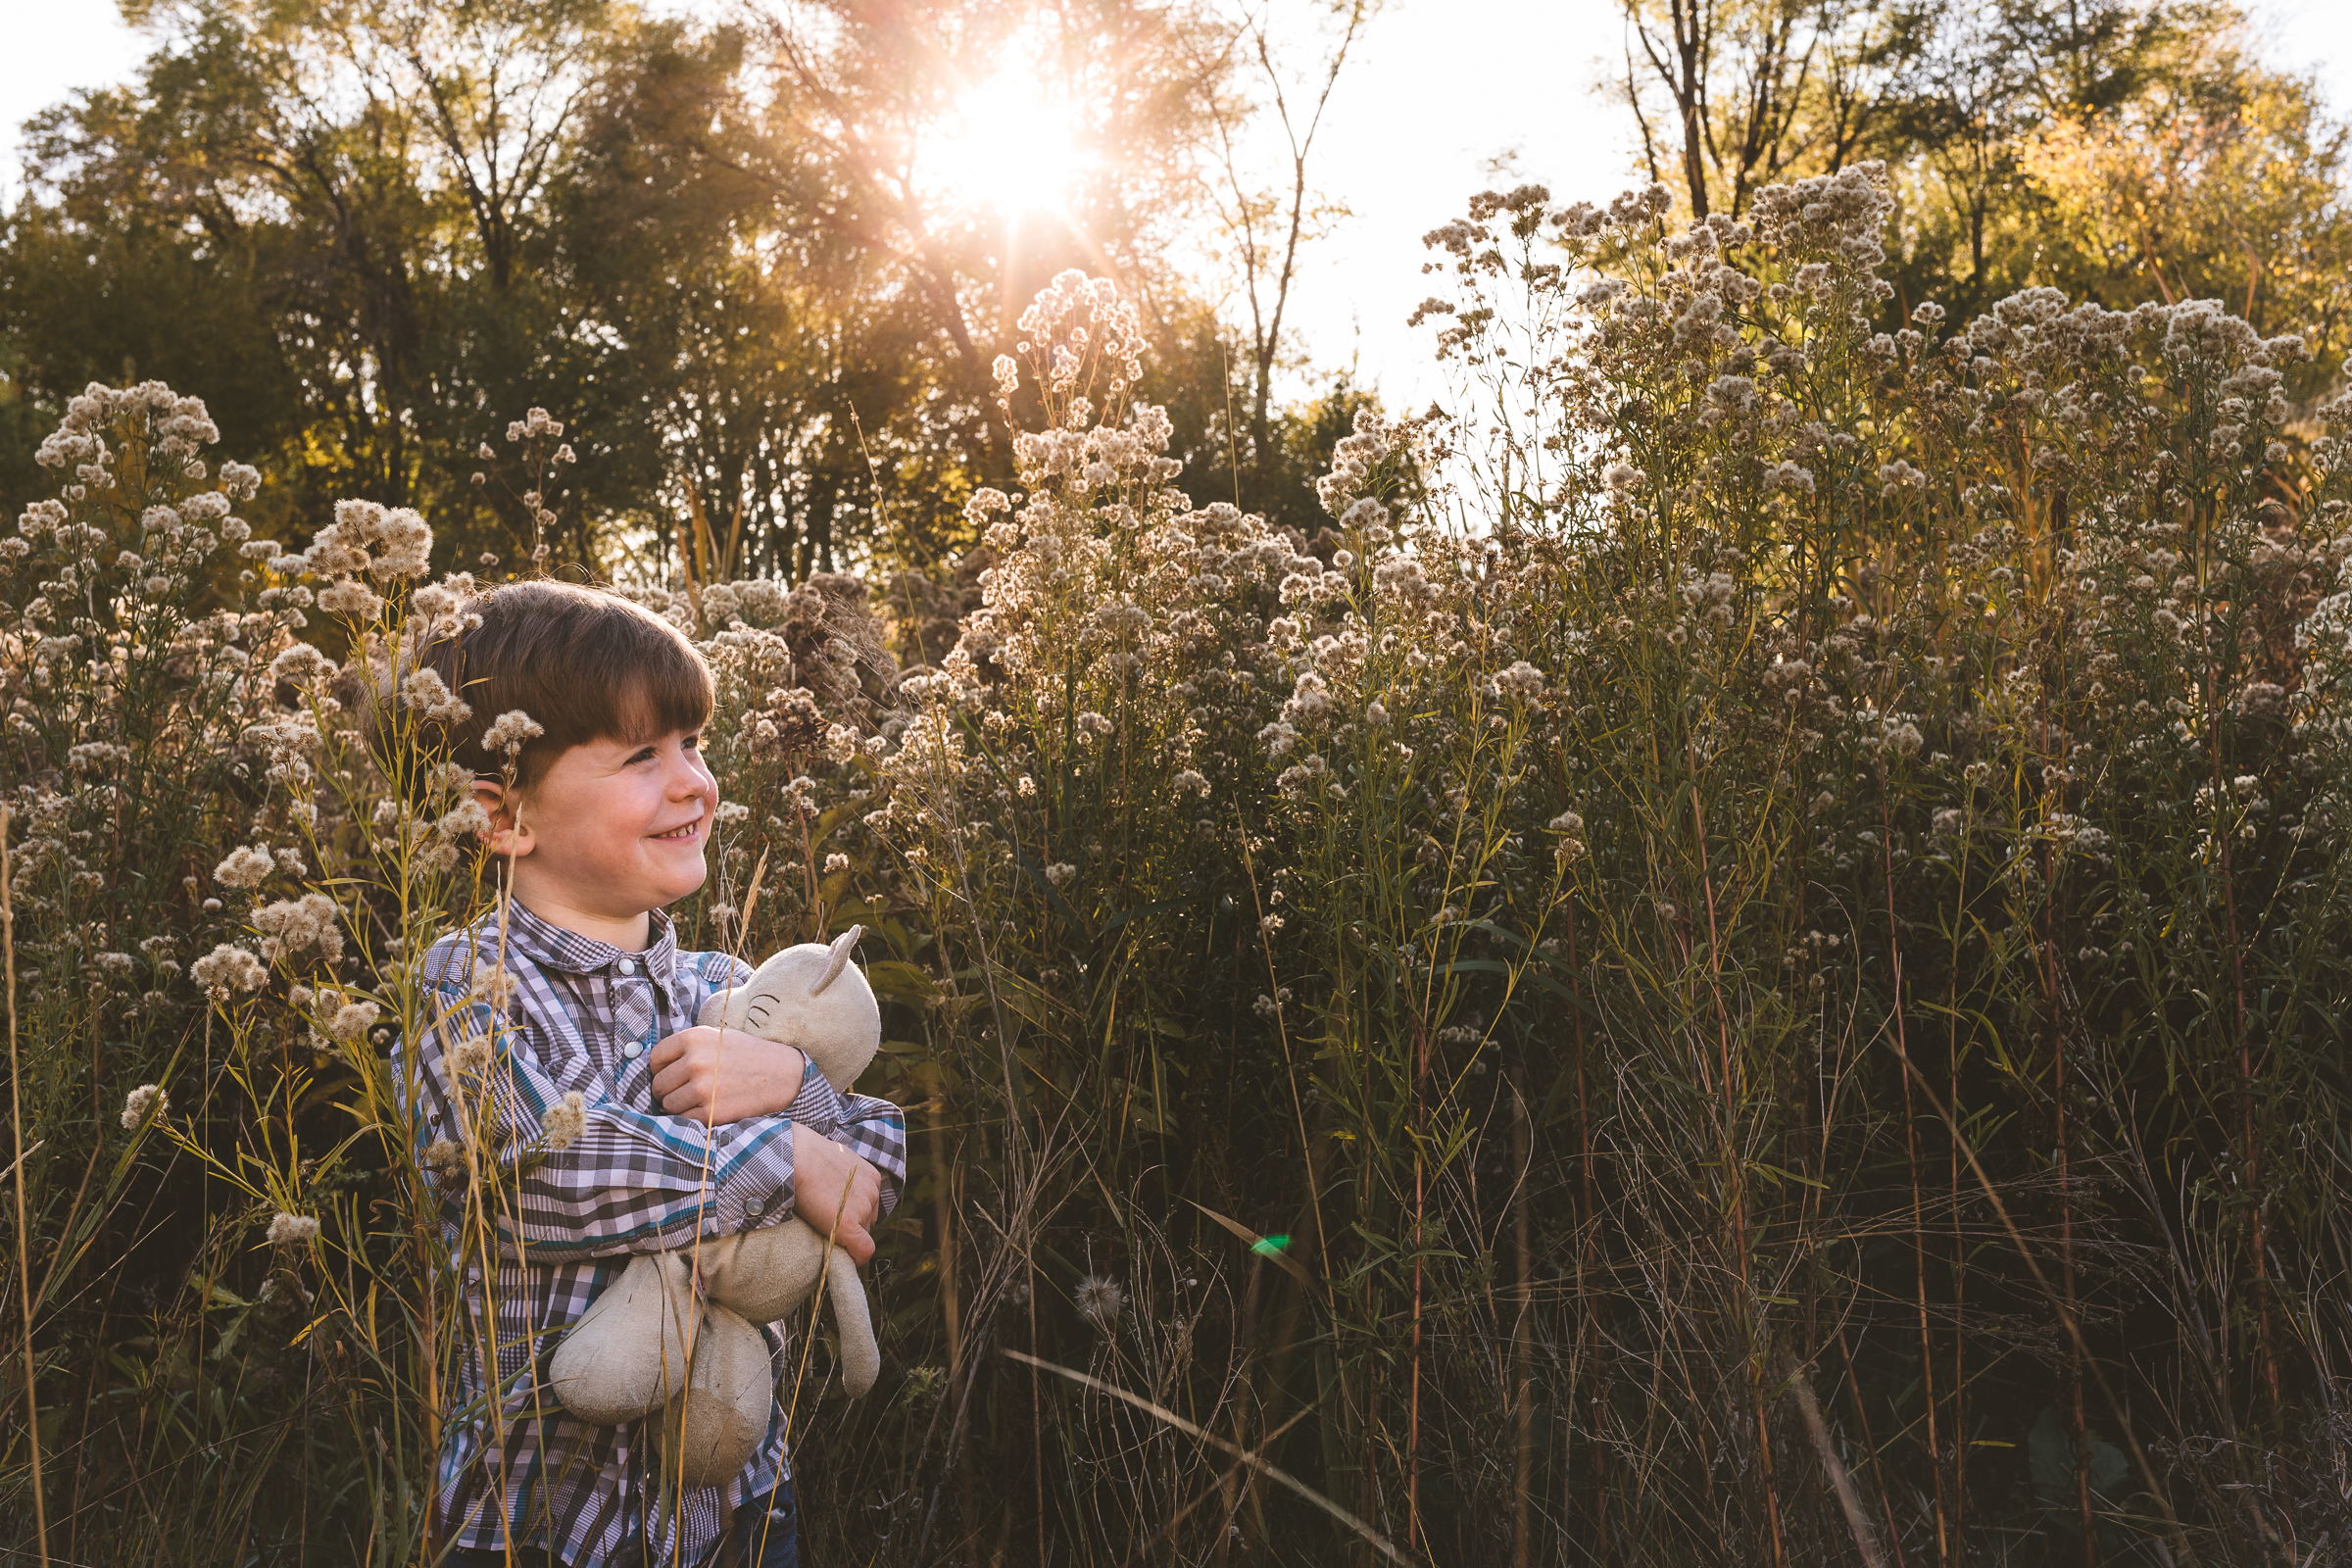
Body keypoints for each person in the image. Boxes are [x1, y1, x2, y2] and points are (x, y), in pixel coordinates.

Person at [391, 579, 903, 1567]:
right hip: (544, 1525)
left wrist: (796, 1091)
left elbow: (877, 1148)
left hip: (741, 1510)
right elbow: (531, 1174)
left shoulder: (726, 987)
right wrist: (780, 1152)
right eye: (642, 756)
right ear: (499, 817)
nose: (695, 783)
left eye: (695, 745)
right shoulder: (468, 984)